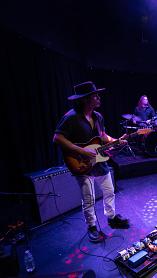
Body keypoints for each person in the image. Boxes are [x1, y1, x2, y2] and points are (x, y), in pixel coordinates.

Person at [53, 81, 130, 243]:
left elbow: (102, 136)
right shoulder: (70, 117)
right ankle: (92, 227)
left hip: (99, 162)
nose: (98, 97)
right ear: (85, 99)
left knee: (109, 191)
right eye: (95, 95)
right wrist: (81, 151)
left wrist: (116, 140)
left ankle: (111, 217)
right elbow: (57, 138)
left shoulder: (98, 116)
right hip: (81, 164)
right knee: (88, 199)